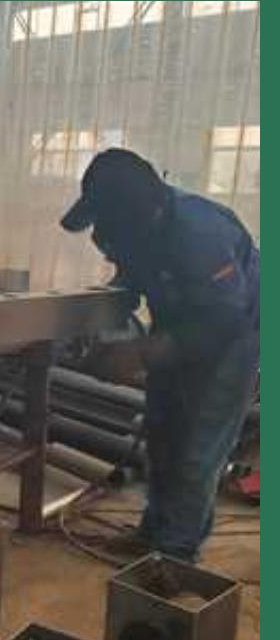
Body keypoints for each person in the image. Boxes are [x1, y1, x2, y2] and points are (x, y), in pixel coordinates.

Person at [61, 148, 260, 562]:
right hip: (180, 323)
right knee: (163, 433)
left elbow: (225, 321)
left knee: (198, 450)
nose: (102, 239)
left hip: (235, 336)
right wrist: (96, 318)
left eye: (107, 225)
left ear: (141, 217)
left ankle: (175, 557)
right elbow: (131, 282)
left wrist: (143, 352)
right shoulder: (135, 228)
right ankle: (153, 533)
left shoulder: (200, 233)